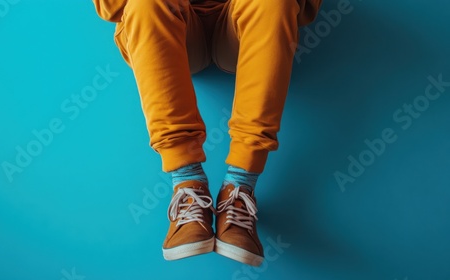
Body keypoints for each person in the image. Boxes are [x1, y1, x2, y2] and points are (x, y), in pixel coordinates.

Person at [93, 0, 321, 266]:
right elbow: (109, 8)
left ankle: (239, 188)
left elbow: (304, 11)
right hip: (171, 29)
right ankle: (188, 186)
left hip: (244, 28)